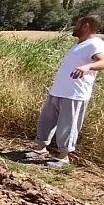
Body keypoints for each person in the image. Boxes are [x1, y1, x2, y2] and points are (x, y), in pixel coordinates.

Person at [25, 15, 104, 168]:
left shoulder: (95, 44)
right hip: (59, 91)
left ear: (86, 26)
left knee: (68, 125)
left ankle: (63, 158)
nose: (74, 26)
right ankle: (40, 149)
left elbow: (102, 61)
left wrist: (87, 67)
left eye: (77, 24)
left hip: (75, 93)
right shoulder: (80, 44)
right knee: (46, 121)